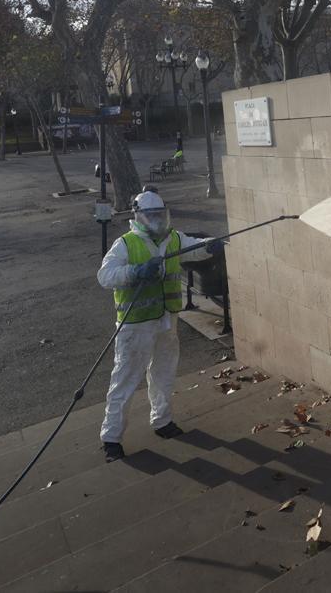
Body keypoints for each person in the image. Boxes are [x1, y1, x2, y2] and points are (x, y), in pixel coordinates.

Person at [95, 187, 222, 461]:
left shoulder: (172, 239)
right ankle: (111, 438)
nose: (156, 220)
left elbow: (194, 248)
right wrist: (135, 272)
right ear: (138, 216)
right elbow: (105, 276)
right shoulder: (126, 244)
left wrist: (211, 243)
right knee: (125, 379)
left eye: (159, 214)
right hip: (135, 325)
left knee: (164, 373)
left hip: (166, 319)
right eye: (150, 215)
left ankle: (162, 421)